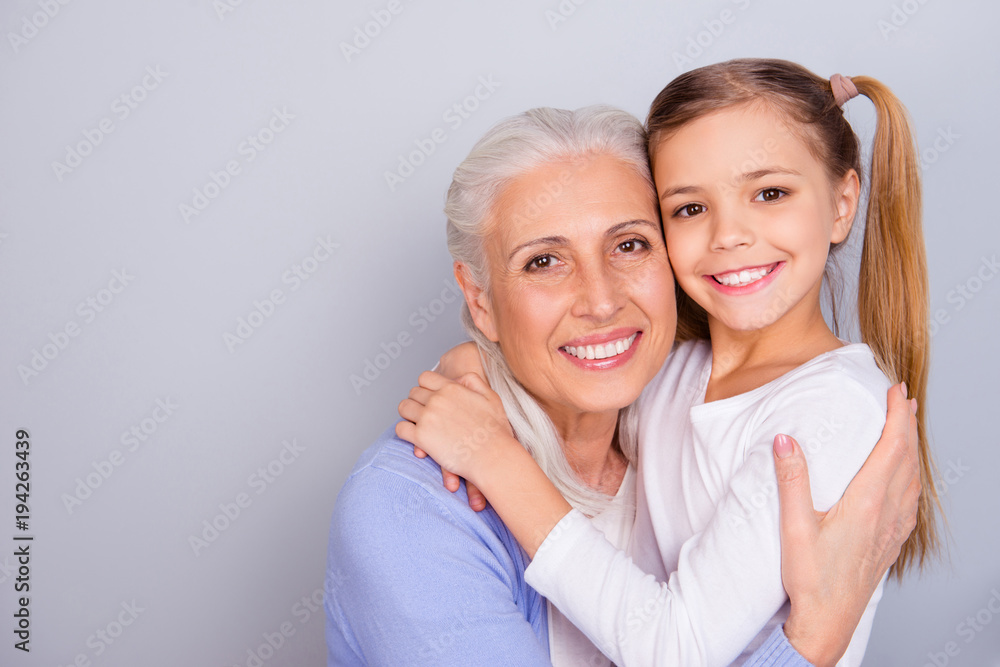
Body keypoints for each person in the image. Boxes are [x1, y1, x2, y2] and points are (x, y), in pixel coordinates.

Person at [330, 105, 920, 666]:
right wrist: (809, 645)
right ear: (479, 299)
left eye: (630, 245)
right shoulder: (410, 508)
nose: (602, 300)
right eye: (544, 261)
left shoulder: (675, 416)